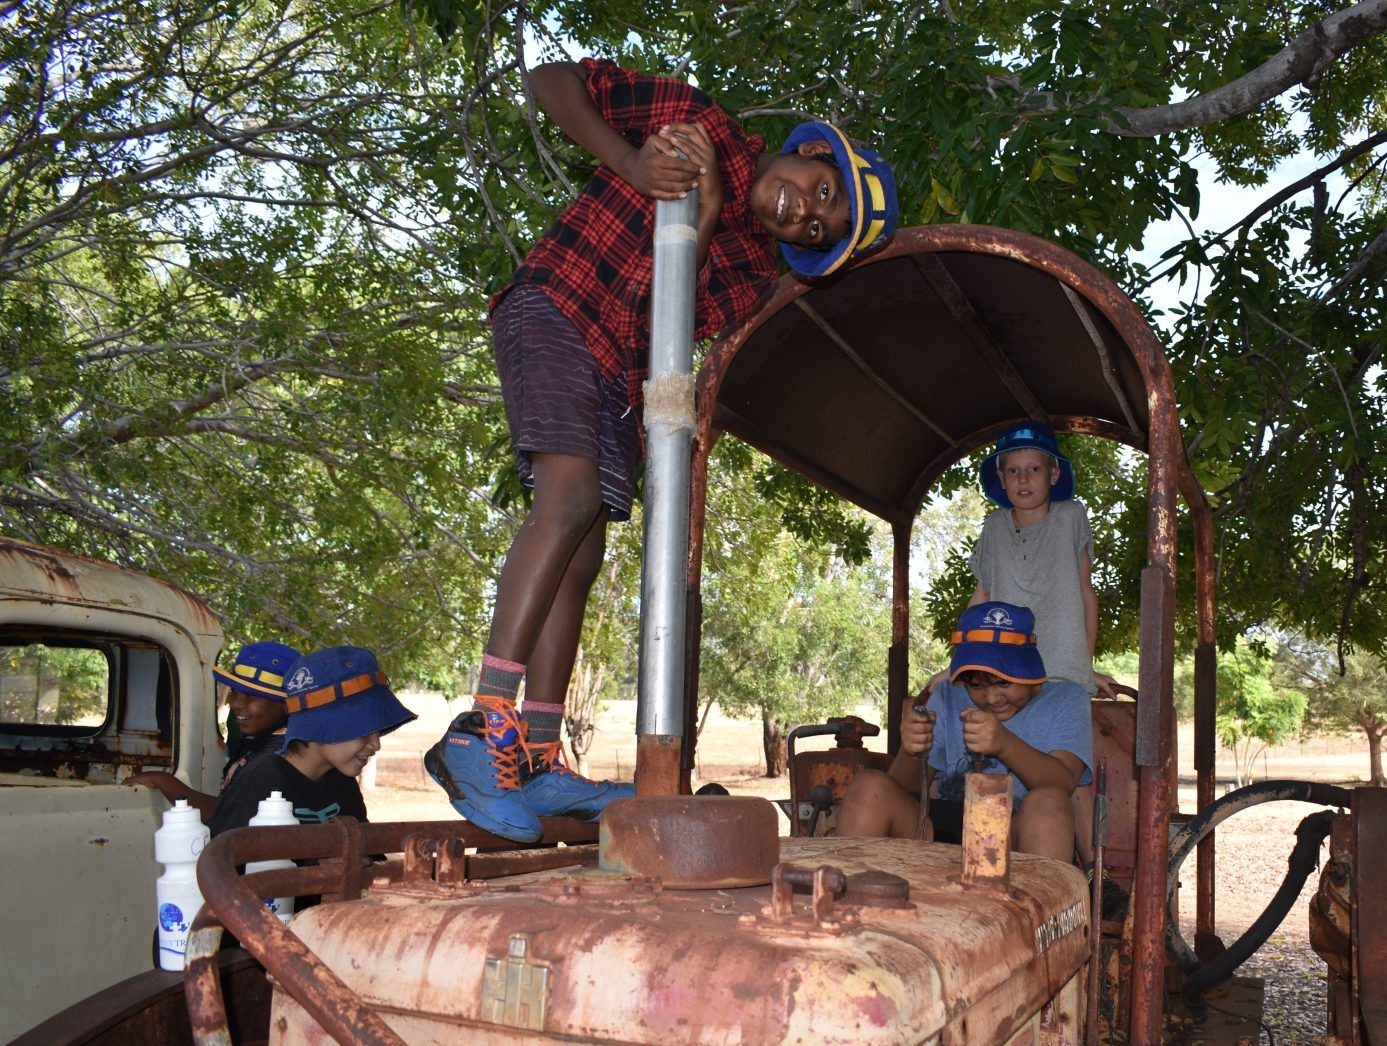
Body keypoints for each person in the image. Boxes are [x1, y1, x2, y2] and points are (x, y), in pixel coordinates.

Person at [427, 57, 899, 843]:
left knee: (582, 549)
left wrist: (706, 217)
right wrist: (630, 161)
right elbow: (550, 80)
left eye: (818, 228)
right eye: (821, 191)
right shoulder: (698, 120)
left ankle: (538, 759)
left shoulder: (751, 272)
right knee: (569, 501)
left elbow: (664, 322)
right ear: (810, 153)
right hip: (558, 304)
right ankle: (483, 727)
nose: (804, 211)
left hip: (618, 365)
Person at [838, 601, 1092, 862]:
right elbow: (907, 785)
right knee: (870, 785)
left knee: (1049, 802)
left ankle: (1042, 902)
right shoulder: (949, 694)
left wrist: (1006, 745)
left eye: (1004, 682)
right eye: (977, 685)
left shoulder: (1067, 698)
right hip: (941, 836)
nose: (992, 698)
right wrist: (913, 749)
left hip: (1014, 843)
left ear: (1031, 669)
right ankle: (848, 895)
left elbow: (1064, 783)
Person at [968, 421, 1121, 698]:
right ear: (1002, 479)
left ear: (1053, 474)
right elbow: (982, 594)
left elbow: (1086, 593)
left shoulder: (1071, 517)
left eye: (1034, 469)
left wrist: (1085, 667)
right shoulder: (994, 525)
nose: (1023, 479)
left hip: (1063, 672)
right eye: (1013, 471)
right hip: (1006, 670)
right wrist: (963, 658)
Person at [209, 646, 415, 836]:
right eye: (363, 730)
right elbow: (219, 865)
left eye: (377, 731)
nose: (376, 745)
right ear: (321, 725)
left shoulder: (340, 781)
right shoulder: (261, 782)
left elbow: (366, 853)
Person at [212, 641, 301, 790]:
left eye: (251, 695)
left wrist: (166, 782)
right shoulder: (258, 741)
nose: (235, 703)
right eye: (234, 691)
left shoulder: (279, 755)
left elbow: (235, 811)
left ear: (287, 705)